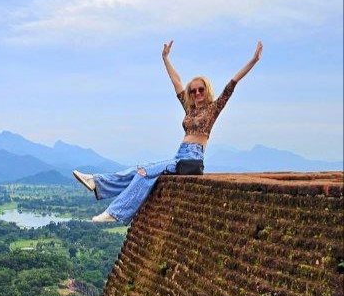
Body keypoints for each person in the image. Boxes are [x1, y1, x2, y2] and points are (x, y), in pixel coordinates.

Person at [73, 41, 263, 225]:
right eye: (193, 91)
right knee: (136, 169)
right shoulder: (190, 111)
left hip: (192, 158)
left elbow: (233, 83)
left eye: (200, 89)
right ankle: (96, 183)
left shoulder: (213, 109)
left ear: (207, 90)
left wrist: (253, 60)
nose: (197, 93)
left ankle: (116, 212)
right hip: (179, 155)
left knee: (143, 173)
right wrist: (165, 58)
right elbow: (176, 81)